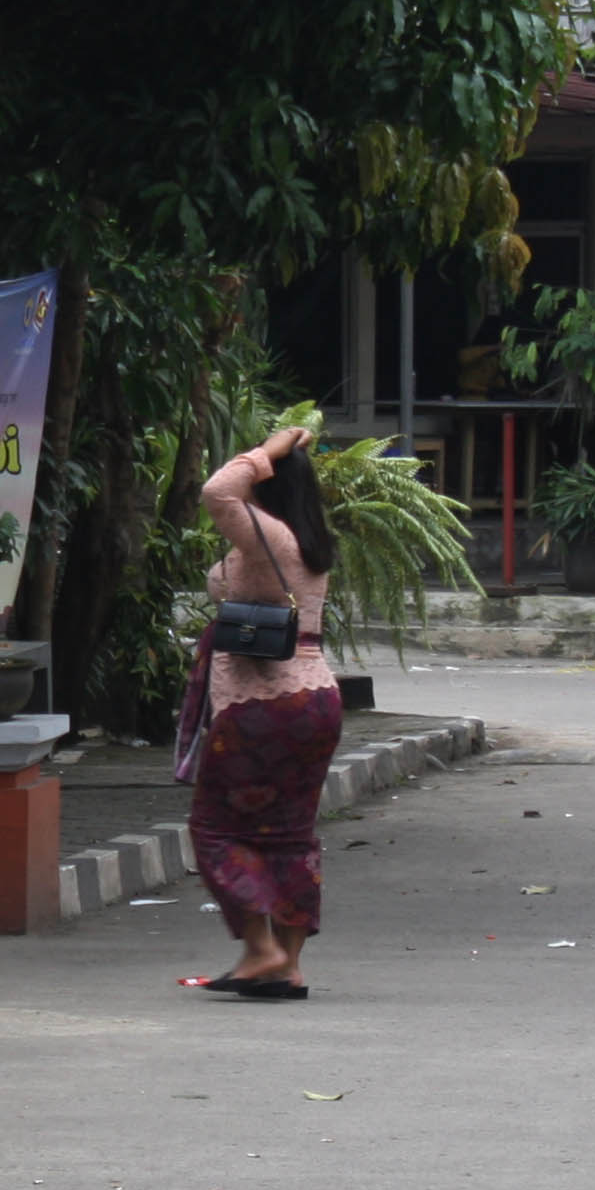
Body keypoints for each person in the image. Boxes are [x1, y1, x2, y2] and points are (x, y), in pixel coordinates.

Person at [178, 423, 340, 999]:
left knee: (216, 827)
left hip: (261, 702)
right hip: (316, 698)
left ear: (270, 481)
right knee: (291, 834)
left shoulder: (268, 534)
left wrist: (268, 450)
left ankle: (260, 948)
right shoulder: (309, 538)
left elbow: (217, 491)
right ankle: (288, 966)